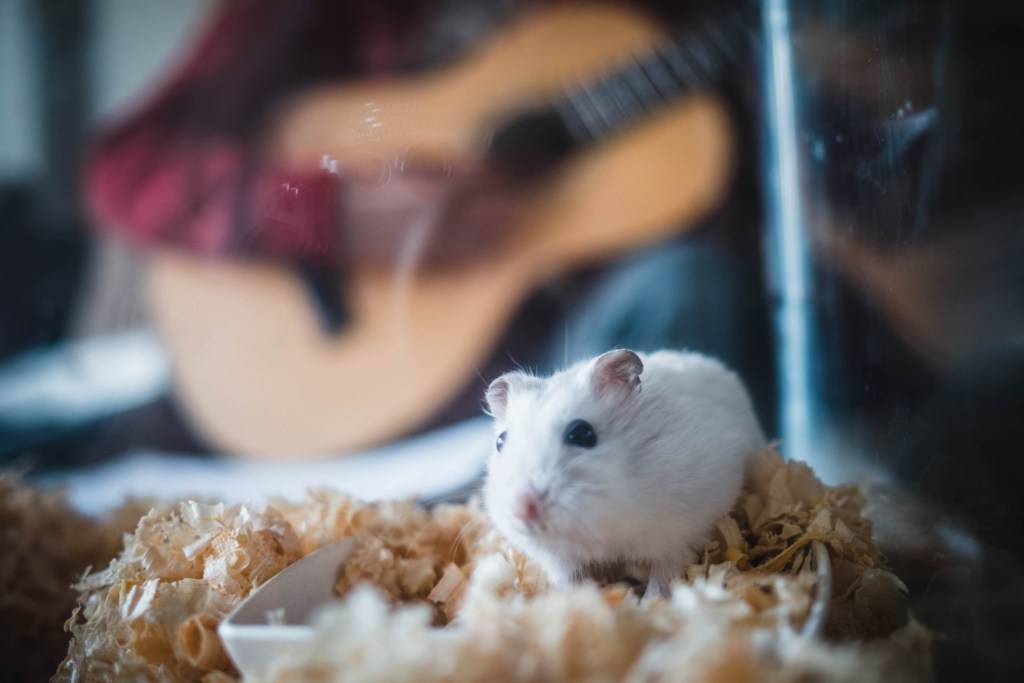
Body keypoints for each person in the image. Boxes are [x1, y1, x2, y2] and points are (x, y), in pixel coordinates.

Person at [84, 0, 772, 454]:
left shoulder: (659, 18)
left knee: (689, 287)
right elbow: (125, 169)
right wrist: (329, 211)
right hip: (370, 422)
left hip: (563, 427)